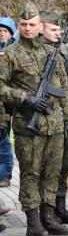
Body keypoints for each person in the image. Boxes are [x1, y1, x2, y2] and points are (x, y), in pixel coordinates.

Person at [0, 3, 68, 236]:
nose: (28, 28)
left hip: (54, 123)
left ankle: (48, 217)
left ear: (41, 26)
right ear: (19, 26)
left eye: (32, 25)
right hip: (28, 125)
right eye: (23, 25)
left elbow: (63, 87)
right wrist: (26, 99)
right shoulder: (11, 53)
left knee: (52, 172)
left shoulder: (52, 52)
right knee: (31, 173)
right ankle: (33, 221)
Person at [39, 11, 68, 224]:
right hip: (45, 118)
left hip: (65, 117)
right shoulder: (39, 53)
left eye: (59, 30)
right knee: (46, 168)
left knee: (64, 165)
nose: (58, 33)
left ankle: (60, 206)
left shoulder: (61, 54)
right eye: (53, 29)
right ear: (42, 28)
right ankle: (45, 211)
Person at [0, 18, 16, 188]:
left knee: (6, 139)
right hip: (1, 104)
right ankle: (5, 175)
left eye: (5, 31)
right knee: (3, 138)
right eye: (0, 31)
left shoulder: (15, 50)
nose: (2, 34)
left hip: (14, 102)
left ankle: (7, 173)